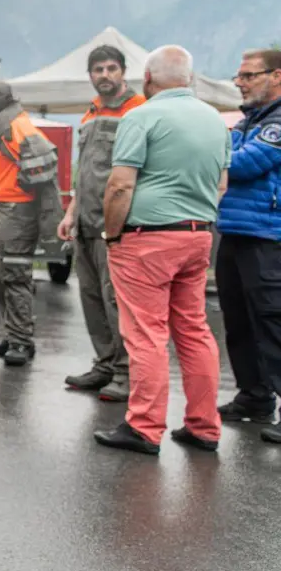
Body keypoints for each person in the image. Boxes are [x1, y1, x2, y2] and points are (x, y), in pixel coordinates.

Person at [93, 46, 228, 455]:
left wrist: (112, 235)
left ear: (148, 78)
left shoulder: (141, 116)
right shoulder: (216, 122)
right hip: (198, 234)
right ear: (189, 78)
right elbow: (221, 183)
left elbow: (120, 184)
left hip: (147, 238)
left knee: (146, 333)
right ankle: (204, 425)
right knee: (194, 331)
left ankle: (145, 428)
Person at [57, 45, 145, 397]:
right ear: (90, 75)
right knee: (91, 298)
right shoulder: (89, 113)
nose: (105, 75)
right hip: (86, 224)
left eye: (111, 68)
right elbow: (87, 175)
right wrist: (71, 212)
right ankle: (105, 364)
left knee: (117, 301)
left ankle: (126, 373)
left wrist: (120, 224)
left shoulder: (139, 110)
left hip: (117, 226)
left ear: (123, 72)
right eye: (98, 70)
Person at [214, 48, 281, 434]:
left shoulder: (277, 122)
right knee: (238, 321)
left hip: (268, 236)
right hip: (236, 231)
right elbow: (226, 156)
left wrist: (222, 156)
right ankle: (254, 397)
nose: (239, 82)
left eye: (248, 75)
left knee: (273, 322)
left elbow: (243, 164)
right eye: (238, 76)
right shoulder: (245, 122)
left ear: (277, 76)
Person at [0, 81, 60, 367]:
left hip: (15, 213)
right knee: (1, 277)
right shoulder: (7, 126)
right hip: (1, 209)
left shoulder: (19, 128)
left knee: (15, 278)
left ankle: (21, 341)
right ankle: (13, 335)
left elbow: (45, 173)